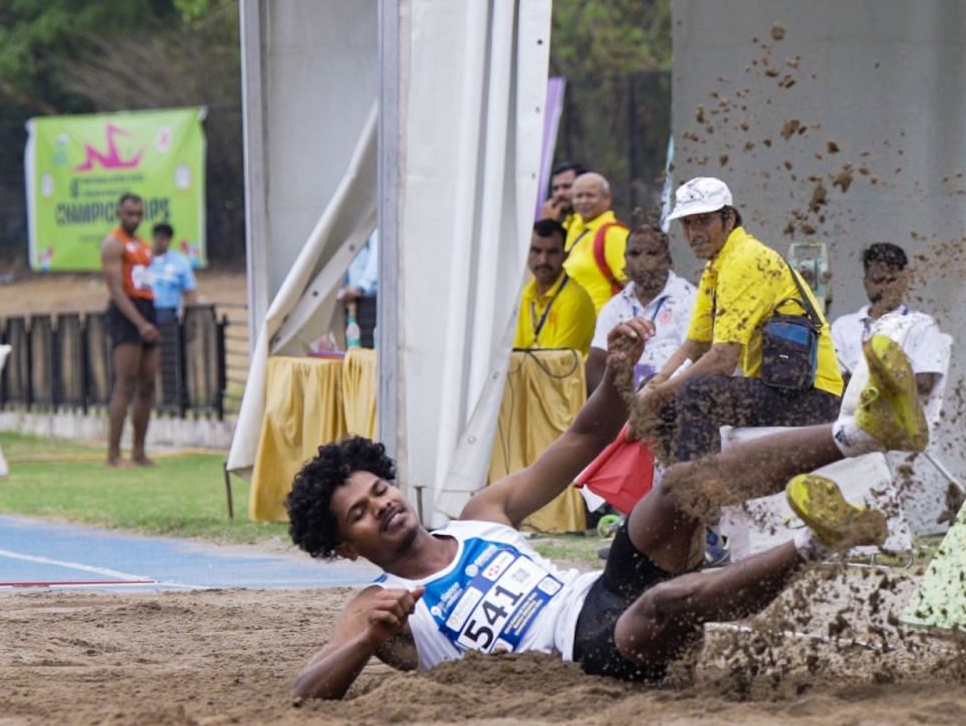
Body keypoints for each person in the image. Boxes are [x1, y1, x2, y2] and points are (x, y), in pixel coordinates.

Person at [284, 319, 929, 700]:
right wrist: (370, 638)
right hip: (584, 654)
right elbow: (306, 690)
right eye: (361, 515)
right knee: (659, 606)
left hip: (600, 591)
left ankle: (864, 431)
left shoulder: (482, 513)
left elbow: (584, 439)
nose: (383, 507)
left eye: (379, 491)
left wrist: (616, 373)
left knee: (681, 487)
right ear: (345, 547)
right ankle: (821, 542)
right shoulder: (376, 605)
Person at [636, 177, 843, 465]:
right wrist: (655, 385)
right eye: (688, 224)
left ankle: (694, 500)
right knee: (658, 389)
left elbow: (722, 361)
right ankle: (671, 489)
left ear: (729, 218)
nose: (694, 232)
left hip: (814, 399)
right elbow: (696, 344)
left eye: (704, 221)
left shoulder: (744, 259)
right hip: (781, 390)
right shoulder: (717, 265)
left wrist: (659, 394)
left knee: (696, 392)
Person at [585, 226, 696, 396]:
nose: (642, 260)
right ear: (625, 260)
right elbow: (596, 364)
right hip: (624, 406)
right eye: (634, 254)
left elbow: (694, 358)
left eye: (651, 253)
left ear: (667, 260)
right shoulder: (613, 307)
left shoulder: (689, 298)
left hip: (674, 398)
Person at [829, 243, 947, 399]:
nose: (884, 288)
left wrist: (861, 382)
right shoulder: (843, 327)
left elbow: (923, 383)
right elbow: (834, 383)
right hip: (850, 421)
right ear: (866, 283)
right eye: (878, 281)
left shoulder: (921, 325)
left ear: (904, 282)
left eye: (891, 280)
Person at [102, 193, 159, 467]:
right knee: (125, 382)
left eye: (138, 213)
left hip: (147, 307)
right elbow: (115, 288)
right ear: (119, 213)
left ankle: (139, 451)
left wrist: (151, 318)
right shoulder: (114, 244)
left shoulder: (144, 245)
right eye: (129, 214)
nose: (134, 218)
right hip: (127, 313)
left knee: (148, 383)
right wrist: (140, 323)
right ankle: (113, 454)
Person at [514, 219, 596, 352]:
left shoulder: (574, 299)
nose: (543, 260)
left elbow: (557, 367)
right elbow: (514, 352)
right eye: (536, 250)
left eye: (552, 252)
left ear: (565, 255)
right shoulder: (526, 294)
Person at [149, 223, 198, 412]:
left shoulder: (179, 262)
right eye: (157, 236)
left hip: (168, 314)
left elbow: (190, 292)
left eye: (164, 237)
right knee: (146, 361)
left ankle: (170, 400)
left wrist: (190, 318)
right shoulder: (145, 260)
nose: (160, 241)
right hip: (146, 315)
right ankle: (149, 399)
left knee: (169, 359)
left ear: (169, 240)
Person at [562, 172, 630, 305]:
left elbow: (631, 284)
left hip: (604, 321)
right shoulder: (572, 226)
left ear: (607, 198)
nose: (583, 201)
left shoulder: (613, 233)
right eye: (578, 196)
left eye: (590, 195)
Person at [336, 229, 380, 348]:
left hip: (371, 298)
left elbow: (377, 256)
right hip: (352, 299)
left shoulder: (375, 226)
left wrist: (361, 287)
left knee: (370, 350)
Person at [540, 162, 585, 227]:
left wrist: (547, 225)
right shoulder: (567, 223)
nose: (560, 193)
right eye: (556, 189)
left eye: (567, 186)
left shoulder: (599, 224)